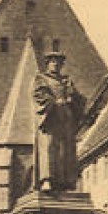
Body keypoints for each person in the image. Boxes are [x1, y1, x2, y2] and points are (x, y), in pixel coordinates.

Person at [32, 49, 86, 191]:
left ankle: (65, 182)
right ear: (48, 64)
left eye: (58, 62)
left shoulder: (66, 81)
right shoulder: (42, 79)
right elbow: (39, 95)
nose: (55, 65)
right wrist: (54, 102)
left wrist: (73, 97)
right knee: (49, 147)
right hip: (51, 117)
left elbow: (79, 99)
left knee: (67, 149)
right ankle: (47, 180)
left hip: (66, 117)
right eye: (52, 62)